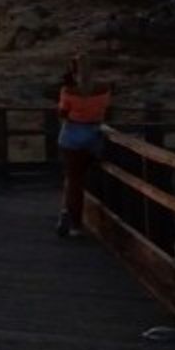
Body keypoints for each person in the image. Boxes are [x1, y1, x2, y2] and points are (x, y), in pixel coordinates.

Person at [55, 53, 113, 237]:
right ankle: (67, 213)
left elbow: (63, 113)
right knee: (83, 176)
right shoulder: (104, 89)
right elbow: (106, 111)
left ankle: (74, 222)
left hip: (72, 135)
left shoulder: (68, 91)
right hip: (94, 135)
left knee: (74, 179)